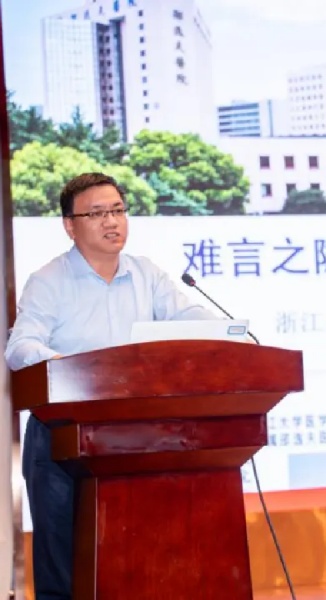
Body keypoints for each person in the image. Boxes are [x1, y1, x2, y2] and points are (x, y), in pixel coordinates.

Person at [4, 172, 219, 599]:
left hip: (134, 437)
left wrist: (224, 336)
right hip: (62, 436)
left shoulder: (146, 274)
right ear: (70, 225)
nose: (112, 221)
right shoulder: (49, 280)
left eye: (118, 210)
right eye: (97, 213)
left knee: (134, 559)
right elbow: (20, 347)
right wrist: (72, 370)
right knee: (64, 566)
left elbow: (189, 317)